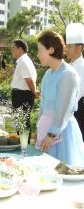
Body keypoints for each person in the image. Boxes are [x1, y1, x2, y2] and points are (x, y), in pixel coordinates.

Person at [36, 30, 84, 166]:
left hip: (61, 133)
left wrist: (51, 134)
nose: (38, 54)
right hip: (46, 130)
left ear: (51, 50)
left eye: (40, 50)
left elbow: (64, 109)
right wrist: (39, 129)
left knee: (62, 172)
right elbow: (43, 106)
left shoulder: (68, 74)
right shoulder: (48, 74)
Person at [11, 39, 38, 133]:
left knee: (22, 121)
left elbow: (29, 80)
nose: (12, 50)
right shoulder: (23, 60)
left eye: (13, 48)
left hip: (22, 95)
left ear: (20, 49)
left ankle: (23, 144)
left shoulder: (23, 61)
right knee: (21, 121)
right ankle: (22, 143)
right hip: (22, 94)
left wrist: (34, 92)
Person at [65, 23, 84, 142]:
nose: (66, 49)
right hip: (68, 111)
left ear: (79, 48)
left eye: (69, 47)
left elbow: (76, 95)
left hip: (78, 112)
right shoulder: (69, 65)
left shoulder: (82, 66)